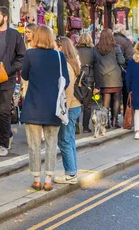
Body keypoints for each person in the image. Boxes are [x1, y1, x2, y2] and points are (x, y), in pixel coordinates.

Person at [21, 25, 69, 192]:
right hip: (53, 107)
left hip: (33, 106)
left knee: (33, 145)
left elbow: (24, 75)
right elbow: (66, 81)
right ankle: (48, 179)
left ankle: (36, 179)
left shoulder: (30, 54)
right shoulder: (59, 56)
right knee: (51, 143)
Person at [0, 6, 25, 157]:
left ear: (5, 17)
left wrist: (9, 70)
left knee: (3, 110)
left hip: (7, 78)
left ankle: (3, 145)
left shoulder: (14, 35)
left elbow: (22, 57)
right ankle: (7, 134)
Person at [54, 37, 80, 185]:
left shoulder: (67, 66)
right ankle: (73, 171)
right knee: (69, 140)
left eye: (56, 47)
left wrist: (64, 111)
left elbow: (68, 91)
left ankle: (70, 173)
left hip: (70, 107)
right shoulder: (72, 63)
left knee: (64, 141)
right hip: (75, 106)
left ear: (61, 48)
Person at [94, 29, 125, 129]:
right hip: (115, 77)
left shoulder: (96, 48)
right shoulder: (116, 47)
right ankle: (115, 121)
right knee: (116, 99)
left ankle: (105, 121)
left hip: (103, 77)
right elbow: (122, 61)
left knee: (105, 100)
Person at [76, 33, 97, 133]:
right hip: (89, 79)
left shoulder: (75, 50)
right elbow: (97, 66)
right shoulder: (93, 51)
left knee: (76, 103)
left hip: (77, 79)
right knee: (87, 105)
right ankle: (85, 127)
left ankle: (75, 126)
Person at [113, 24, 135, 117]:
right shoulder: (126, 41)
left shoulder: (108, 40)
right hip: (124, 70)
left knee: (112, 96)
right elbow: (130, 57)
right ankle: (126, 116)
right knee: (125, 93)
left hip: (109, 71)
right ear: (122, 31)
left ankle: (112, 118)